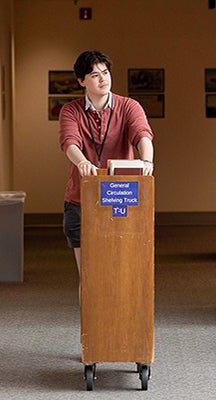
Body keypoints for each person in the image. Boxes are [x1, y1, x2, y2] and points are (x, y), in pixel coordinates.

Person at [58, 50, 155, 280]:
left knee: (123, 271)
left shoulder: (129, 106)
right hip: (82, 200)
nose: (103, 79)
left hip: (121, 196)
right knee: (89, 276)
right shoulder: (71, 110)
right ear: (82, 81)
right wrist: (82, 162)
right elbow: (69, 142)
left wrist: (147, 159)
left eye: (105, 72)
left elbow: (142, 134)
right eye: (94, 75)